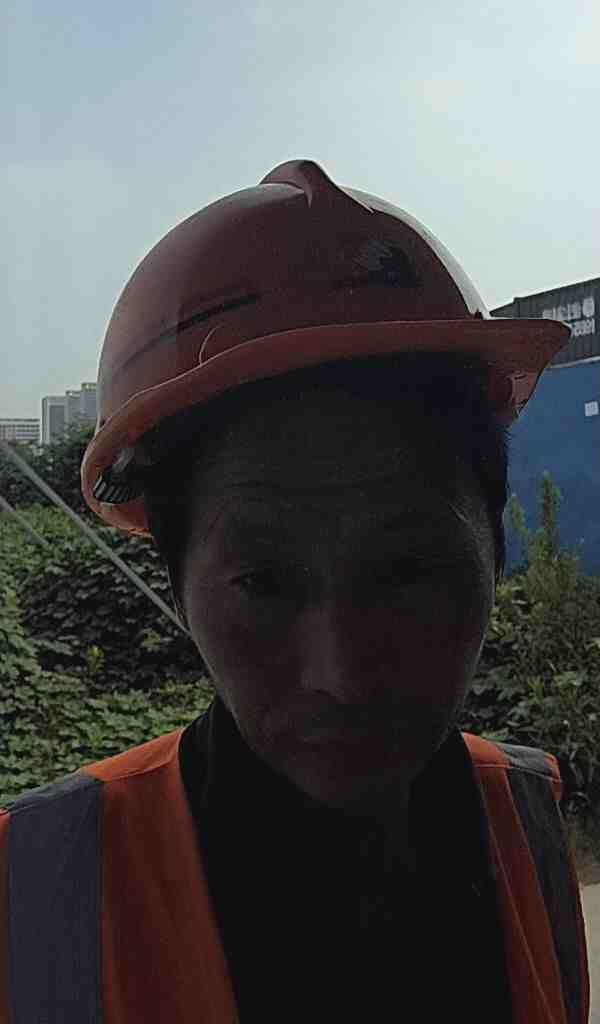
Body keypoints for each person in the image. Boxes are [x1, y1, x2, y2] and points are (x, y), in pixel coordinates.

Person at [0, 159, 589, 1023]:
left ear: (493, 549)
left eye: (407, 569)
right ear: (177, 583)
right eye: (263, 583)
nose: (342, 673)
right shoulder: (33, 887)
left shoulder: (528, 817)